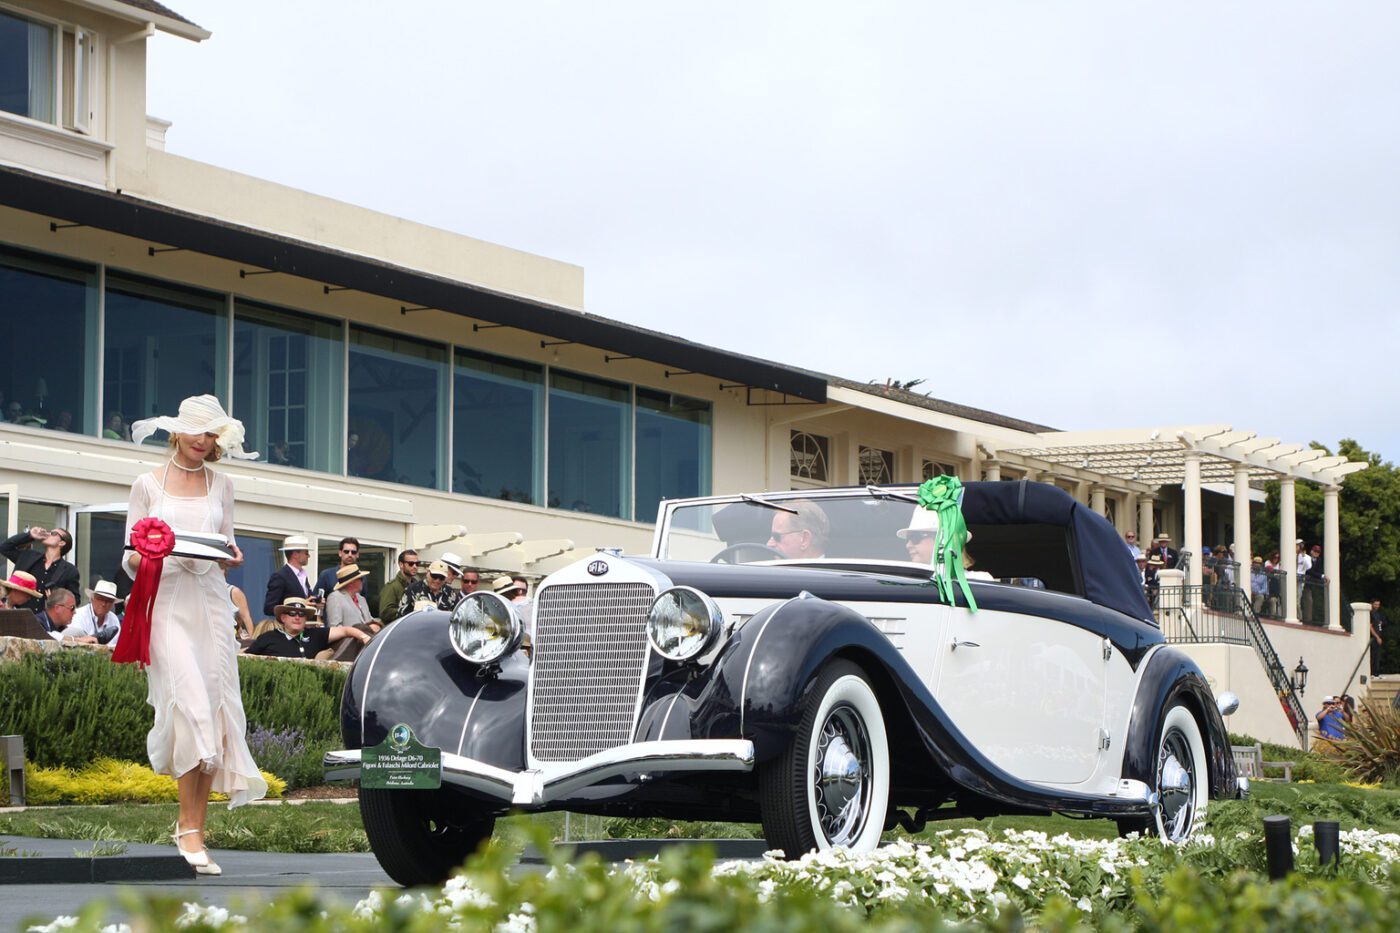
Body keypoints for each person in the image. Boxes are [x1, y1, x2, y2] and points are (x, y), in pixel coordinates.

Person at [122, 394, 267, 876]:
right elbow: (130, 555)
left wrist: (232, 556)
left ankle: (193, 829)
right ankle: (188, 829)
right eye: (197, 431)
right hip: (164, 603)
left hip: (209, 602)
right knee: (189, 707)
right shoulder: (146, 484)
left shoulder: (222, 484)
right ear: (177, 432)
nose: (204, 441)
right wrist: (148, 553)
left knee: (215, 711)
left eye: (211, 434)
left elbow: (227, 541)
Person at [0, 524, 81, 600]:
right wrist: (30, 535)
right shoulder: (29, 556)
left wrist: (57, 598)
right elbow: (5, 548)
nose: (48, 534)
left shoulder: (70, 570)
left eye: (53, 533)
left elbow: (75, 599)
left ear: (62, 543)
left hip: (46, 614)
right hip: (20, 613)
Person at [323, 563, 382, 644]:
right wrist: (357, 632)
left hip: (367, 644)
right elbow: (335, 627)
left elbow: (369, 619)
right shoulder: (335, 597)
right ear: (351, 583)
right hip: (348, 647)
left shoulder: (361, 599)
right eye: (361, 579)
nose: (363, 581)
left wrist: (377, 625)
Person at [263, 534, 314, 617]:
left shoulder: (303, 576)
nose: (308, 556)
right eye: (306, 553)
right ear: (295, 554)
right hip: (286, 627)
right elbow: (269, 608)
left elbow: (306, 600)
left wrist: (315, 602)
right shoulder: (279, 576)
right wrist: (300, 605)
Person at [65, 579, 123, 645]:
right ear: (92, 599)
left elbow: (116, 644)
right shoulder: (79, 615)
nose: (103, 604)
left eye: (108, 601)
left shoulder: (113, 619)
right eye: (100, 599)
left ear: (112, 604)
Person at [378, 549, 420, 624]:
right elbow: (385, 613)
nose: (415, 566)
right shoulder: (391, 587)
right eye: (411, 563)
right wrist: (409, 609)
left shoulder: (417, 585)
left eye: (417, 563)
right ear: (401, 564)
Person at [1371, 599, 1389, 676]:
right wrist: (1377, 637)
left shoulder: (1379, 614)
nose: (1377, 606)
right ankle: (1372, 672)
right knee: (1373, 655)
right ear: (1371, 604)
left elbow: (1385, 623)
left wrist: (1382, 622)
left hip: (1379, 636)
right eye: (1375, 604)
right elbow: (1370, 627)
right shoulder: (1370, 614)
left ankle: (1376, 672)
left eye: (1378, 604)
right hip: (1373, 638)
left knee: (1378, 655)